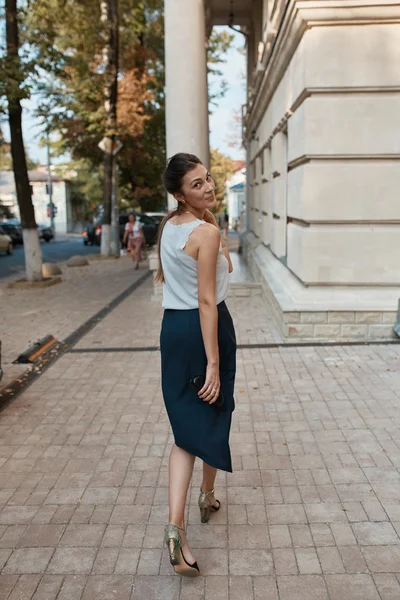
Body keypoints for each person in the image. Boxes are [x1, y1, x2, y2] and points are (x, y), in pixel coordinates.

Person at [156, 153, 236, 577]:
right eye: (196, 184)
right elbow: (207, 300)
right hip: (206, 328)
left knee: (188, 426)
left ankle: (185, 519)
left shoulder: (170, 226)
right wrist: (214, 361)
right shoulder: (205, 232)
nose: (207, 188)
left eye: (207, 179)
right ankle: (188, 516)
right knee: (210, 409)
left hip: (174, 330)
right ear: (179, 193)